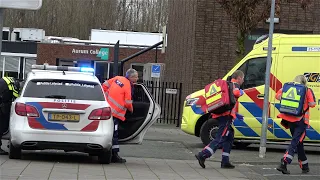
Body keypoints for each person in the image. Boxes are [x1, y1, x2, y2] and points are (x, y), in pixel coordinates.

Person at [195, 70, 245, 169]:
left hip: (222, 114)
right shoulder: (235, 85)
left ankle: (225, 161)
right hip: (226, 116)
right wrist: (241, 92)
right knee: (220, 138)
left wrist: (236, 114)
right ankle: (203, 155)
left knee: (229, 137)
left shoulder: (227, 84)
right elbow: (235, 93)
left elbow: (230, 102)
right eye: (242, 79)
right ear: (239, 78)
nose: (243, 81)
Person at [276, 75, 316, 174]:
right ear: (304, 82)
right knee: (295, 142)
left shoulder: (287, 87)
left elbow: (277, 96)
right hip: (301, 121)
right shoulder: (307, 90)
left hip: (289, 119)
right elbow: (312, 104)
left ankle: (305, 166)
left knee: (299, 142)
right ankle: (284, 162)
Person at [102, 69, 138, 163]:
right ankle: (114, 155)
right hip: (115, 113)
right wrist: (131, 110)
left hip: (106, 110)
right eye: (136, 77)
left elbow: (104, 86)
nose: (137, 78)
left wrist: (106, 99)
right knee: (114, 134)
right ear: (131, 77)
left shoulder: (117, 78)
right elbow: (127, 102)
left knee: (110, 132)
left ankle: (112, 153)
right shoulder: (128, 86)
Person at [0, 77, 20, 155]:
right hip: (3, 106)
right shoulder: (14, 84)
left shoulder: (4, 81)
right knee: (2, 126)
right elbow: (16, 97)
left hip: (2, 103)